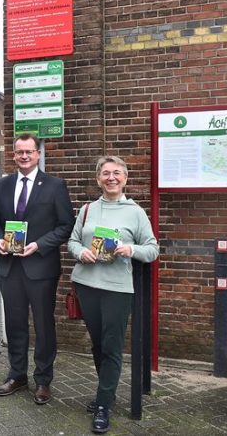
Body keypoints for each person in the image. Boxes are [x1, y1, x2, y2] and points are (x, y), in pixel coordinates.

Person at [67, 155, 159, 434]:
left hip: (117, 288)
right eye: (105, 173)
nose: (111, 178)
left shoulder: (135, 212)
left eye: (116, 173)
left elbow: (152, 249)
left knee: (112, 347)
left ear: (125, 178)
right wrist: (80, 251)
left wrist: (131, 250)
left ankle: (104, 404)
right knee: (97, 344)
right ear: (98, 179)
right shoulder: (86, 210)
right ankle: (107, 392)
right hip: (87, 285)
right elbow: (72, 241)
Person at [0, 133, 75, 405]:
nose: (24, 156)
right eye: (19, 152)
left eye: (29, 152)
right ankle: (17, 375)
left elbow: (65, 225)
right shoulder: (1, 185)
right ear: (14, 155)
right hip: (10, 267)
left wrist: (39, 244)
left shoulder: (55, 186)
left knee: (44, 326)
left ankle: (43, 380)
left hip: (41, 267)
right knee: (14, 324)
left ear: (38, 154)